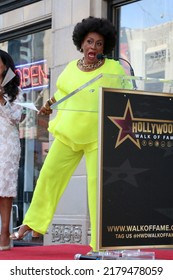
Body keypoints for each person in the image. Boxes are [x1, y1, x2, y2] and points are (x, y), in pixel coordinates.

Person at [10, 16, 131, 251]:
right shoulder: (69, 68)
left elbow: (127, 96)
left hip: (99, 137)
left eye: (98, 44)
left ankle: (99, 244)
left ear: (104, 48)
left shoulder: (114, 68)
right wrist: (49, 105)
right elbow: (63, 92)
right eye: (89, 42)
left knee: (98, 190)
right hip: (68, 132)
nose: (93, 48)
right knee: (48, 176)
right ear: (81, 43)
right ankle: (32, 223)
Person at [0, 49, 23, 250]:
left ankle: (5, 235)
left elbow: (16, 118)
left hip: (7, 144)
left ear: (5, 66)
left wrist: (1, 100)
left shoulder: (15, 91)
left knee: (5, 190)